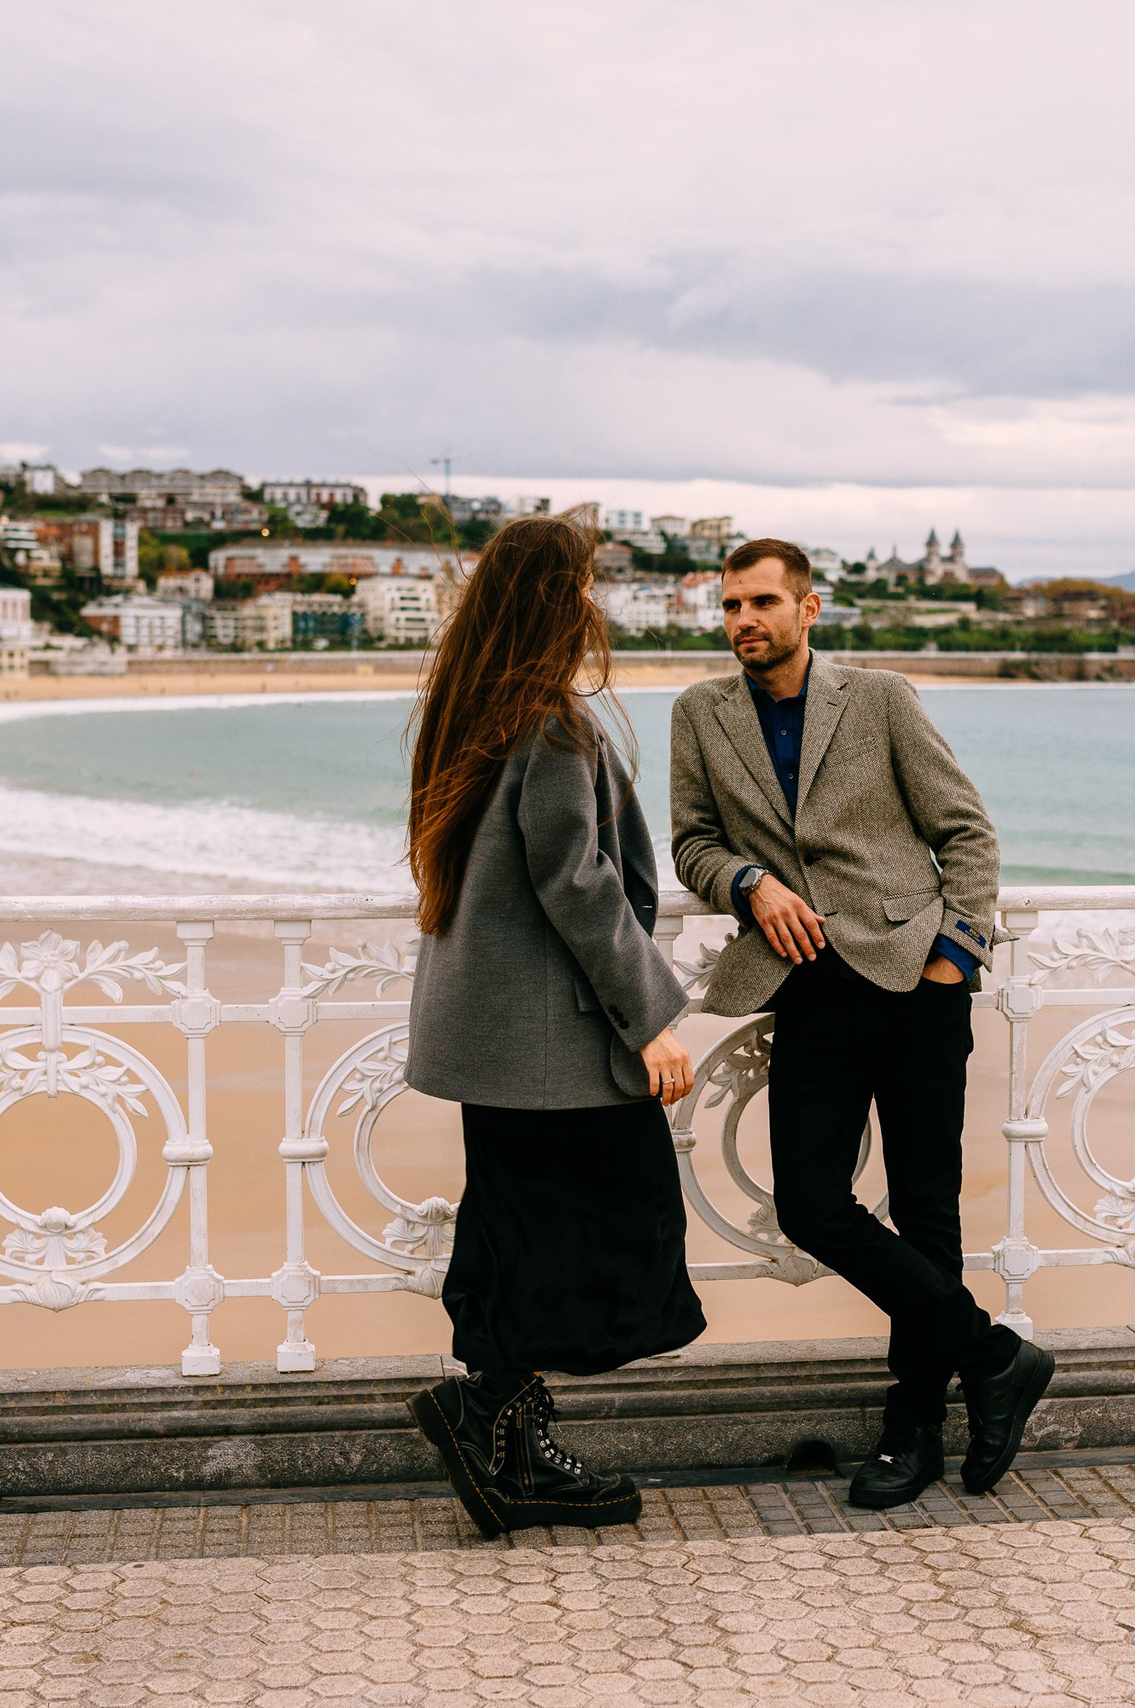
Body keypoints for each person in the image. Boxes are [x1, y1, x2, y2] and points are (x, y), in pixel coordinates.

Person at [670, 538, 1054, 1510]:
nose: (742, 621)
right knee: (810, 1202)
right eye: (729, 607)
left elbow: (965, 830)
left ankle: (913, 1425)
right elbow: (690, 843)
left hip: (915, 978)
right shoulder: (700, 714)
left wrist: (953, 955)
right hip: (805, 986)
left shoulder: (878, 697)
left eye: (761, 602)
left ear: (809, 609)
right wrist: (747, 884)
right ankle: (996, 1355)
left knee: (927, 1210)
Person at [402, 514, 704, 1538]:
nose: (595, 607)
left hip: (496, 1039)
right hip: (553, 1044)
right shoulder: (548, 724)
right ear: (555, 603)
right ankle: (491, 1418)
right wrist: (653, 1018)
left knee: (518, 1227)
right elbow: (579, 885)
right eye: (584, 588)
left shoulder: (466, 712)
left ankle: (506, 1437)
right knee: (604, 1227)